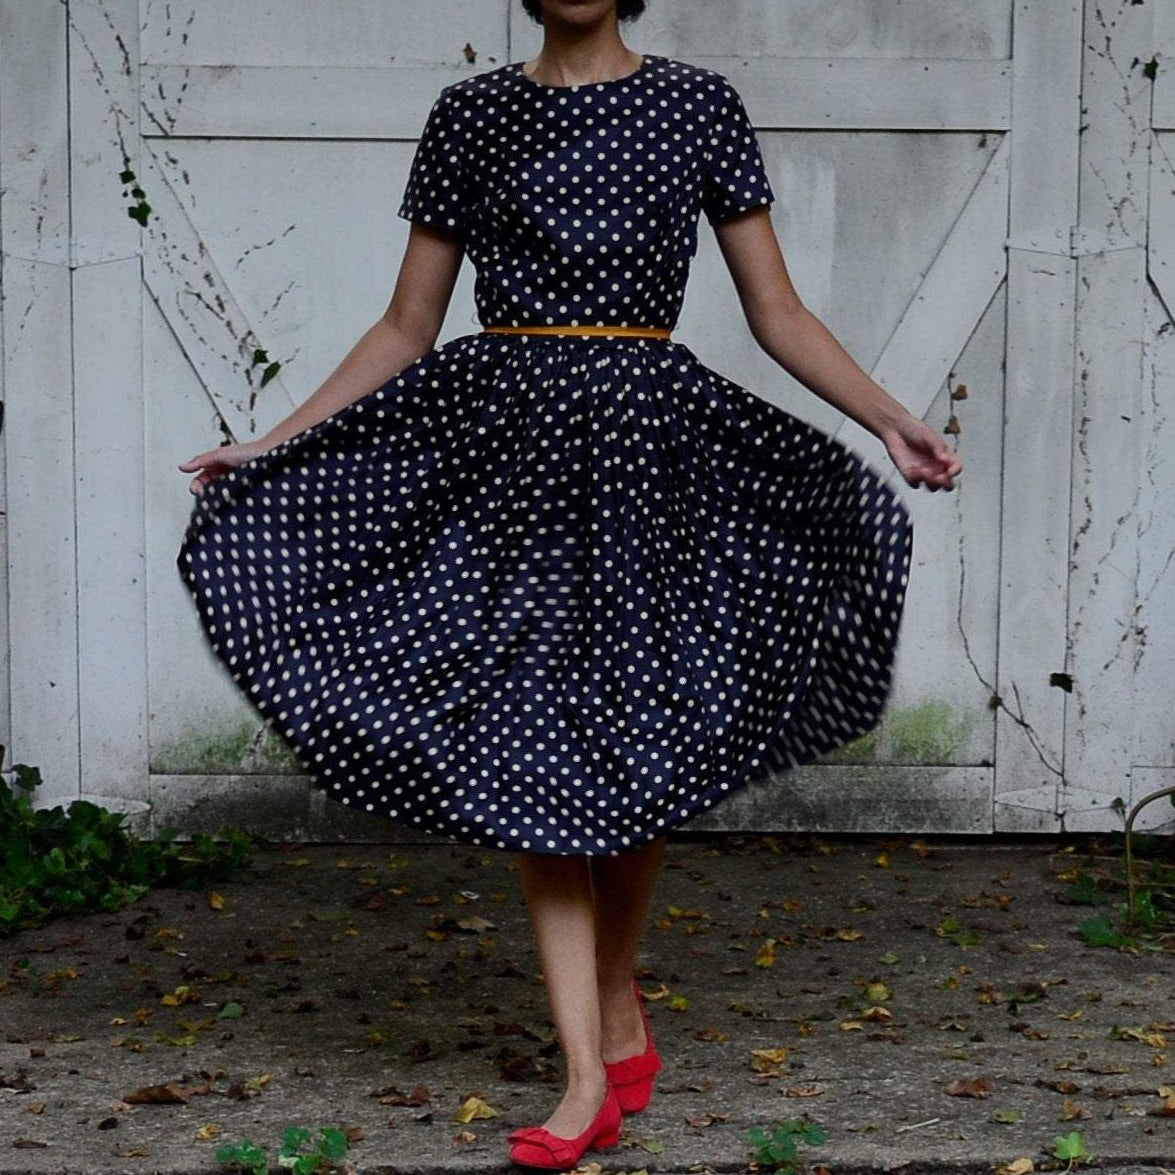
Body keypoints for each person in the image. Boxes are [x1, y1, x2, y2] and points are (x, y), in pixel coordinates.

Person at [177, 0, 961, 1167]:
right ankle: (585, 1072)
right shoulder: (471, 114)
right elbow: (406, 324)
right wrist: (276, 441)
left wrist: (889, 417)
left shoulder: (697, 103)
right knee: (535, 741)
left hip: (648, 454)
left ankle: (612, 999)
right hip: (511, 461)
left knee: (632, 736)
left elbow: (775, 310)